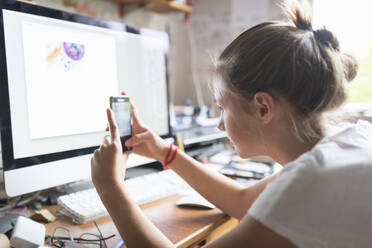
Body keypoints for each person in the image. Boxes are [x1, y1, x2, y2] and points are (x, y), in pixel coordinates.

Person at [90, 1, 372, 247]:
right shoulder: (349, 144)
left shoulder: (312, 181)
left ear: (263, 108)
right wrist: (164, 152)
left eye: (223, 107)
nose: (220, 126)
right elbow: (243, 202)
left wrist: (110, 188)